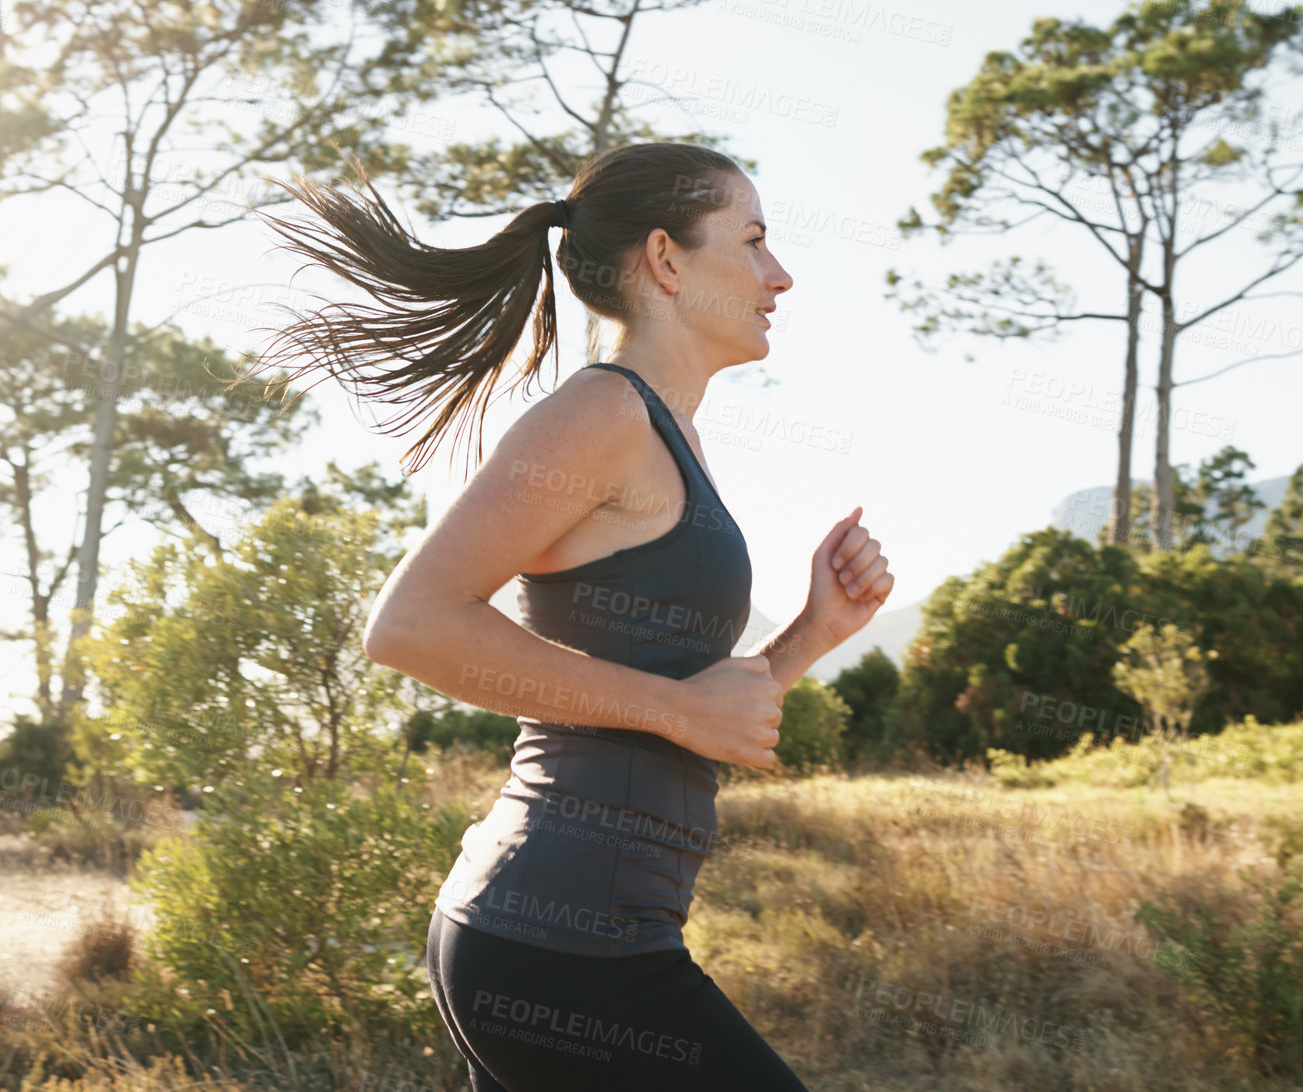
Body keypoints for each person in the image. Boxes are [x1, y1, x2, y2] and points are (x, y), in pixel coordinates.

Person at [247, 141, 895, 1091]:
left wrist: (811, 634)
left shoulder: (670, 434)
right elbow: (411, 624)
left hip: (570, 937)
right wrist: (673, 711)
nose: (779, 274)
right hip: (559, 946)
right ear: (666, 260)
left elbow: (690, 702)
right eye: (752, 241)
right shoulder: (602, 414)